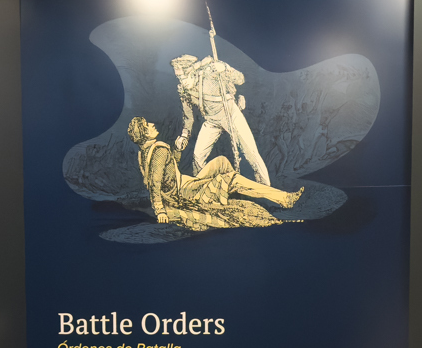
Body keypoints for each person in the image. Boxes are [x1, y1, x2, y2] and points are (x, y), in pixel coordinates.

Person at [128, 115, 300, 232]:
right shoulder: (159, 151)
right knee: (231, 178)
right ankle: (284, 198)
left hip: (186, 183)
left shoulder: (144, 152)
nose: (152, 125)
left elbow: (169, 172)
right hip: (185, 191)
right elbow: (155, 183)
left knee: (221, 162)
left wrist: (177, 150)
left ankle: (228, 193)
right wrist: (160, 211)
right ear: (144, 134)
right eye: (147, 126)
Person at [172, 52, 273, 187]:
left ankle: (266, 189)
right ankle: (203, 188)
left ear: (193, 72)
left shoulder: (211, 72)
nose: (182, 81)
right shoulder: (184, 90)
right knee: (198, 157)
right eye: (179, 77)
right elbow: (188, 117)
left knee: (251, 153)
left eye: (184, 76)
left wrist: (226, 68)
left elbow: (240, 79)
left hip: (231, 114)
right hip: (211, 121)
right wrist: (184, 136)